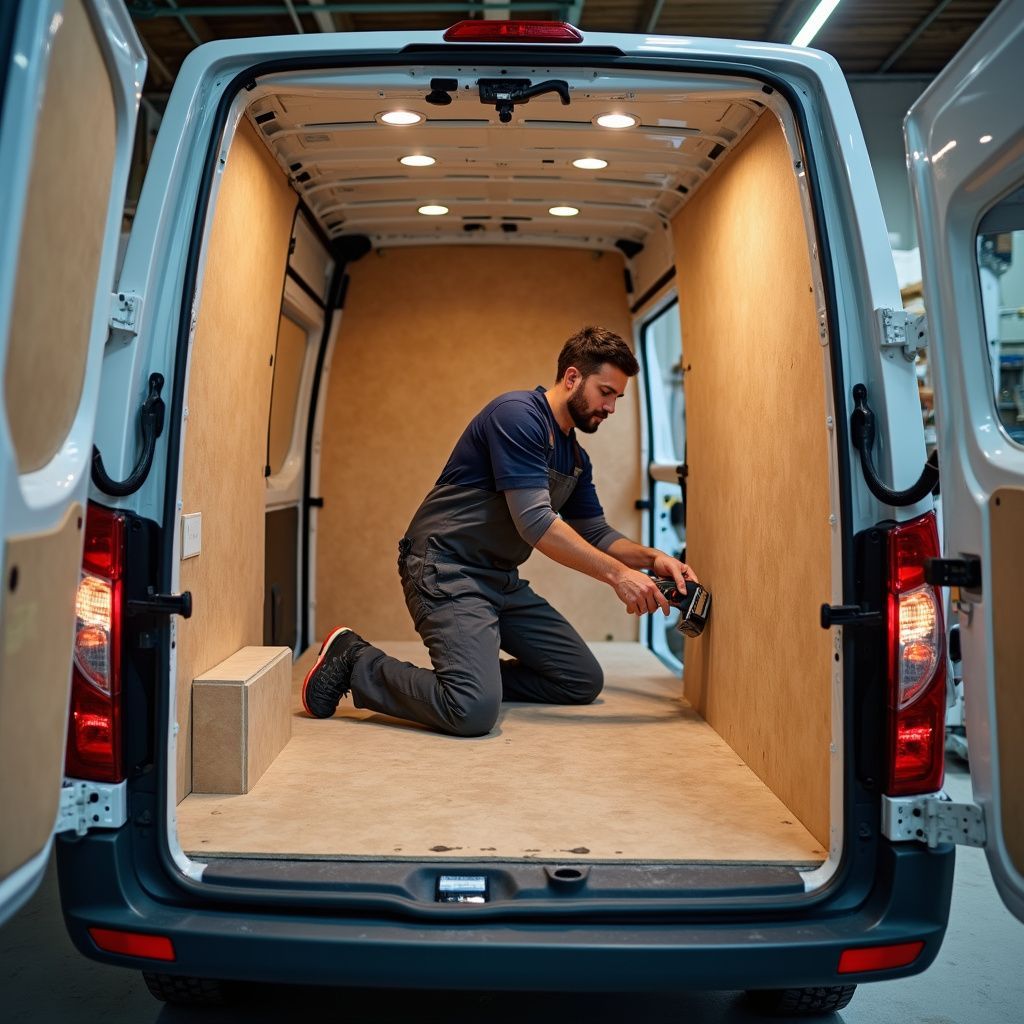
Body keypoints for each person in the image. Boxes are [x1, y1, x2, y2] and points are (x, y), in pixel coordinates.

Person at [301, 325, 699, 736]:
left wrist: (655, 558)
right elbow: (536, 523)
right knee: (471, 711)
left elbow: (597, 532)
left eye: (617, 397)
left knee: (579, 679)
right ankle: (356, 660)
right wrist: (619, 576)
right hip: (445, 568)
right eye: (606, 392)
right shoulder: (517, 415)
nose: (611, 408)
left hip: (499, 580)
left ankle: (471, 679)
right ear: (573, 377)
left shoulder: (576, 457)